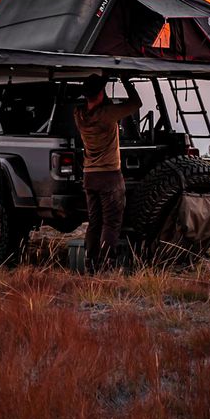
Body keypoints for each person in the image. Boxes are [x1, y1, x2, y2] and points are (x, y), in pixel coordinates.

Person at [74, 74, 142, 273]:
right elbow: (136, 103)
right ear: (101, 93)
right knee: (111, 222)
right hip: (109, 175)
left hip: (90, 175)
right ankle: (107, 264)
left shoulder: (79, 115)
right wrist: (126, 81)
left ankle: (90, 261)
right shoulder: (107, 114)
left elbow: (90, 104)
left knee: (94, 222)